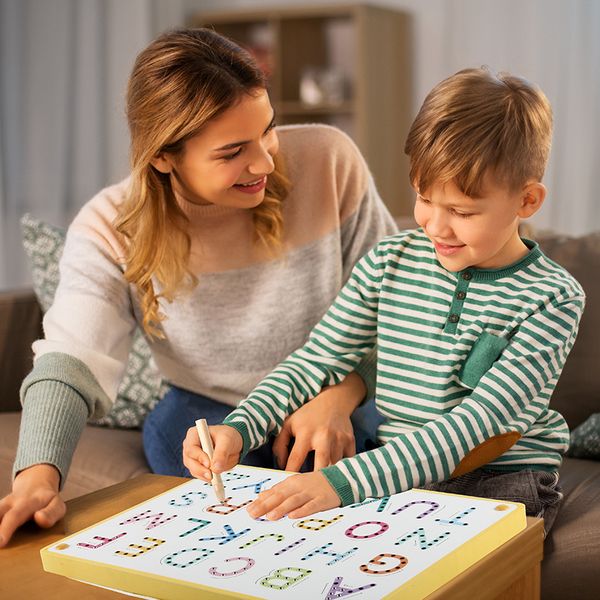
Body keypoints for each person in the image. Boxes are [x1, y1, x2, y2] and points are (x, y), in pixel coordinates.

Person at [0, 28, 397, 547]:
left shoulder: (329, 161)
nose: (265, 162)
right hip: (208, 410)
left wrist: (341, 394)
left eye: (268, 130)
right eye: (233, 152)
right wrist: (36, 477)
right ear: (164, 157)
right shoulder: (107, 227)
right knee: (203, 482)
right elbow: (70, 362)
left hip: (339, 390)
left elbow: (398, 304)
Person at [184, 67, 585, 535]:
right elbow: (316, 362)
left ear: (527, 201)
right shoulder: (387, 262)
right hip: (395, 472)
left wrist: (340, 483)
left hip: (502, 479)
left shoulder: (553, 299)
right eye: (423, 198)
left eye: (461, 211)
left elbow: (477, 425)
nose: (435, 226)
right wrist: (239, 427)